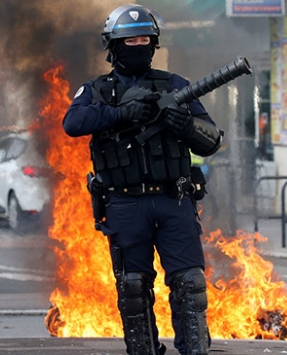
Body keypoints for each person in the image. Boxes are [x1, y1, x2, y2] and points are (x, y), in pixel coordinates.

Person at [62, 4, 222, 355]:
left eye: (144, 40)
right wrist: (121, 114)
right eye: (129, 40)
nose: (138, 46)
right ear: (113, 47)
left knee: (190, 285)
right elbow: (72, 124)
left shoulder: (175, 87)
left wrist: (185, 125)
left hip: (173, 200)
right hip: (125, 203)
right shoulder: (97, 91)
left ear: (154, 44)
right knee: (133, 289)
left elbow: (212, 140)